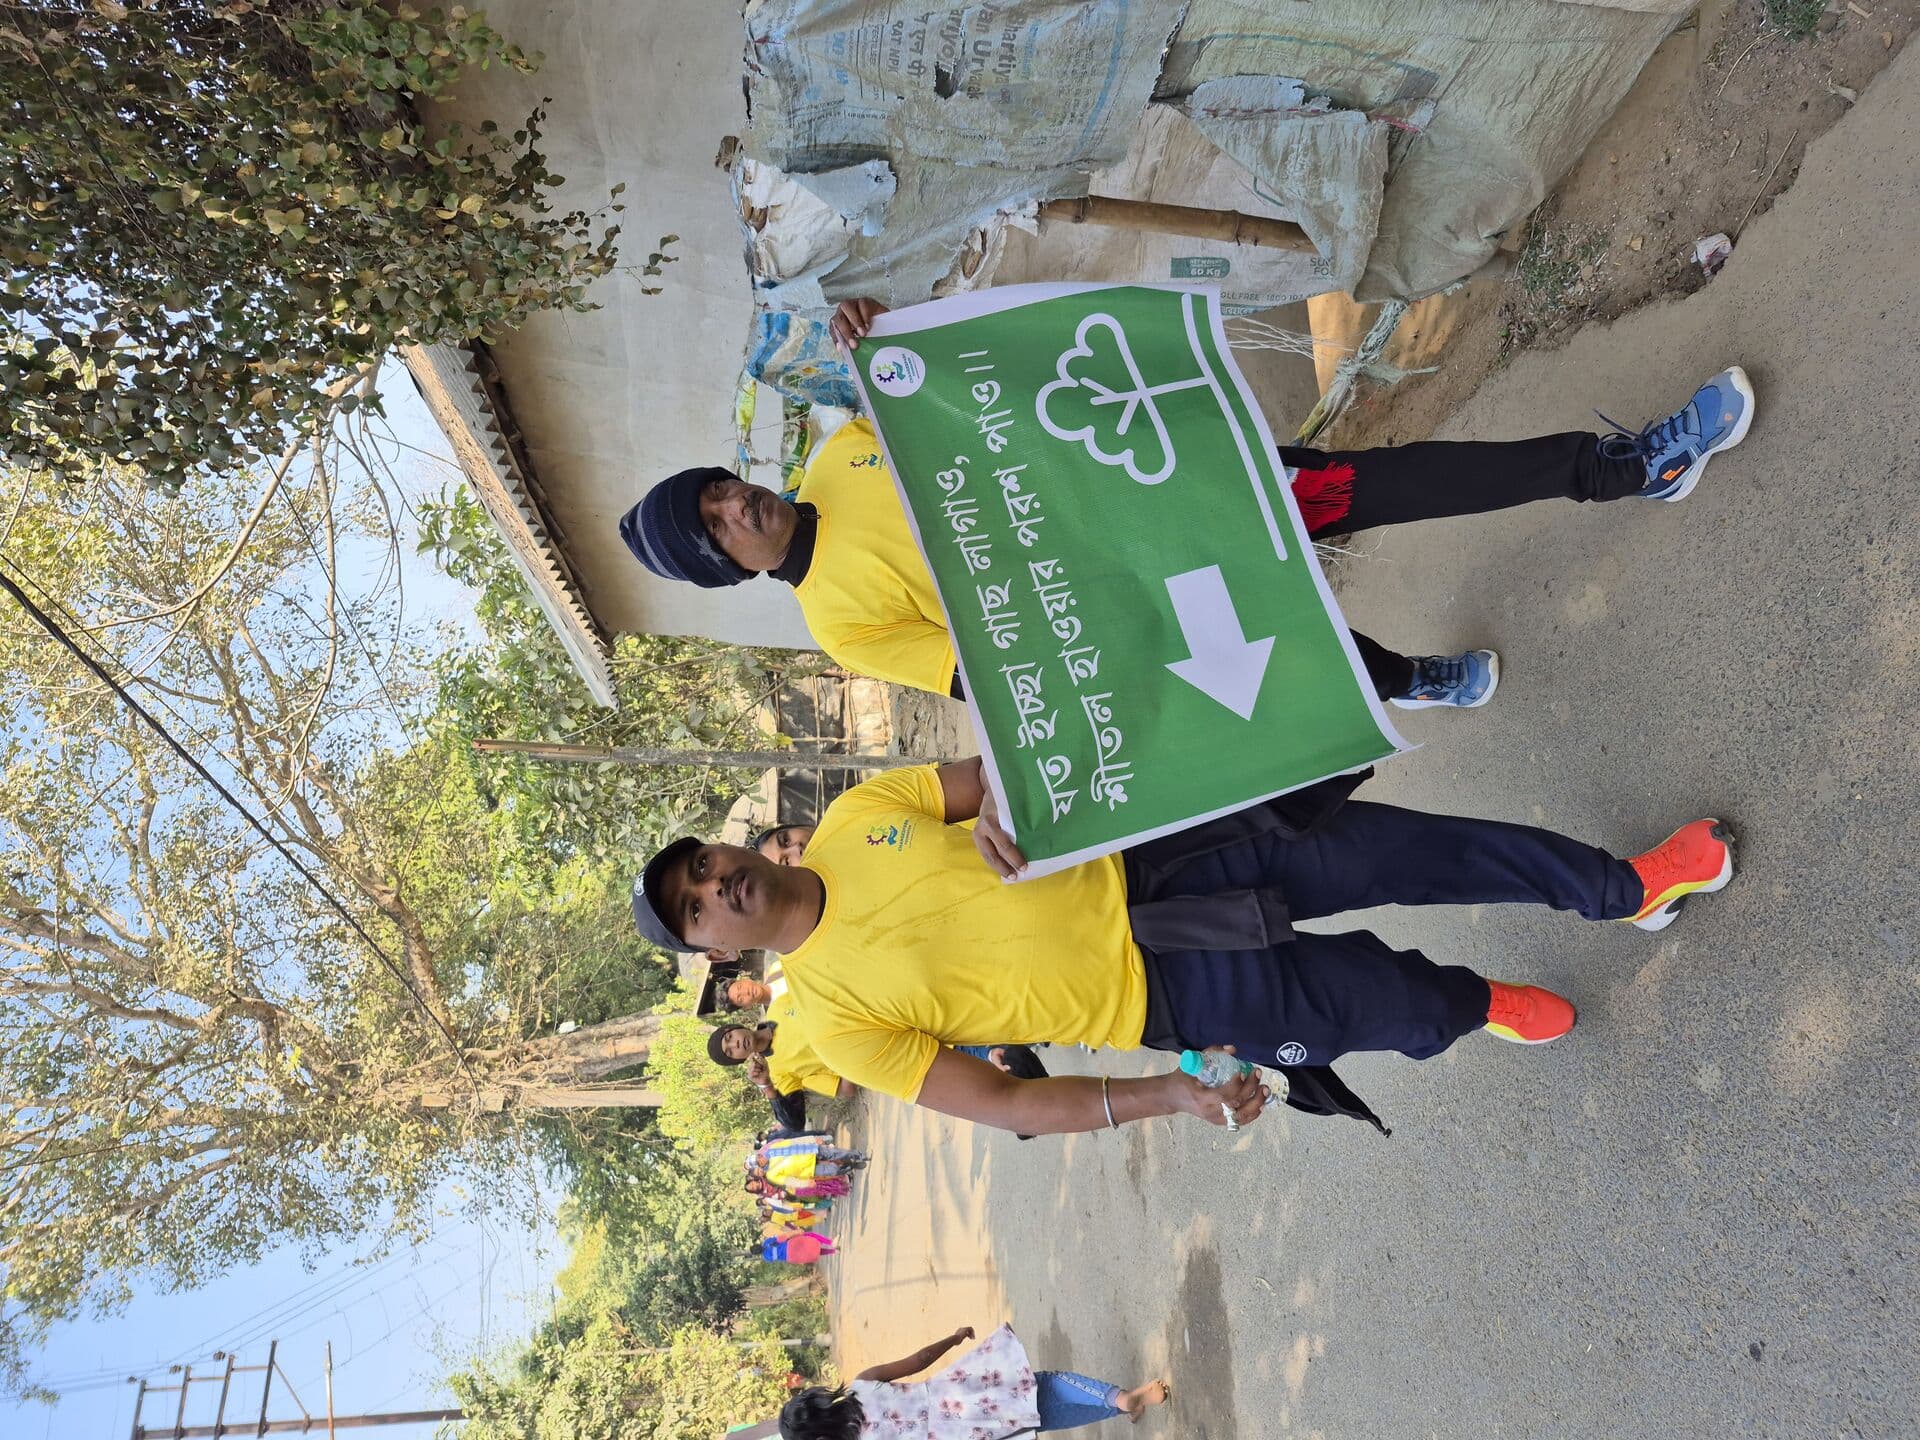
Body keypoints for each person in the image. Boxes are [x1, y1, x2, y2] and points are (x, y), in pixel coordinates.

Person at [618, 297, 1752, 712]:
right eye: (713, 526)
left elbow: (974, 399)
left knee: (1403, 480)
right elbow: (983, 674)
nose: (732, 507)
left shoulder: (844, 448)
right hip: (1144, 608)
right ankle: (1416, 681)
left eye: (717, 491)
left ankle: (1627, 465)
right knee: (1316, 654)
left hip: (1170, 494)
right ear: (726, 570)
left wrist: (894, 338)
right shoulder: (838, 622)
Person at [631, 757, 1735, 1138]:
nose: (713, 888)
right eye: (695, 909)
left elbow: (1000, 768)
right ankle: (1478, 1005)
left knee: (1408, 851)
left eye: (699, 866)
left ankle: (1625, 887)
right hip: (1167, 988)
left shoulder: (859, 812)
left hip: (1171, 862)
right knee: (1388, 1005)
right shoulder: (828, 1020)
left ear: (723, 846)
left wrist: (1000, 796)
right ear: (715, 952)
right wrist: (1170, 1094)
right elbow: (1010, 1106)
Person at [777, 1323, 1169, 1438]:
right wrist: (951, 1338)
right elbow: (918, 1360)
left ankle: (1120, 1408)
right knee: (1043, 1387)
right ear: (820, 1400)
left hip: (963, 1436)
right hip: (961, 1393)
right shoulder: (863, 1386)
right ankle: (1119, 1399)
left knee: (1039, 1420)